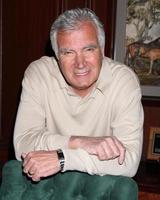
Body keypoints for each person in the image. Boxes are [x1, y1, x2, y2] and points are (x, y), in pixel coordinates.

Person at [13, 8, 144, 183]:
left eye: (88, 49)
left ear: (102, 50)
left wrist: (63, 158)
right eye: (68, 53)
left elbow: (128, 162)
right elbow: (22, 145)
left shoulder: (124, 81)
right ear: (57, 56)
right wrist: (79, 142)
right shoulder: (39, 74)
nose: (80, 64)